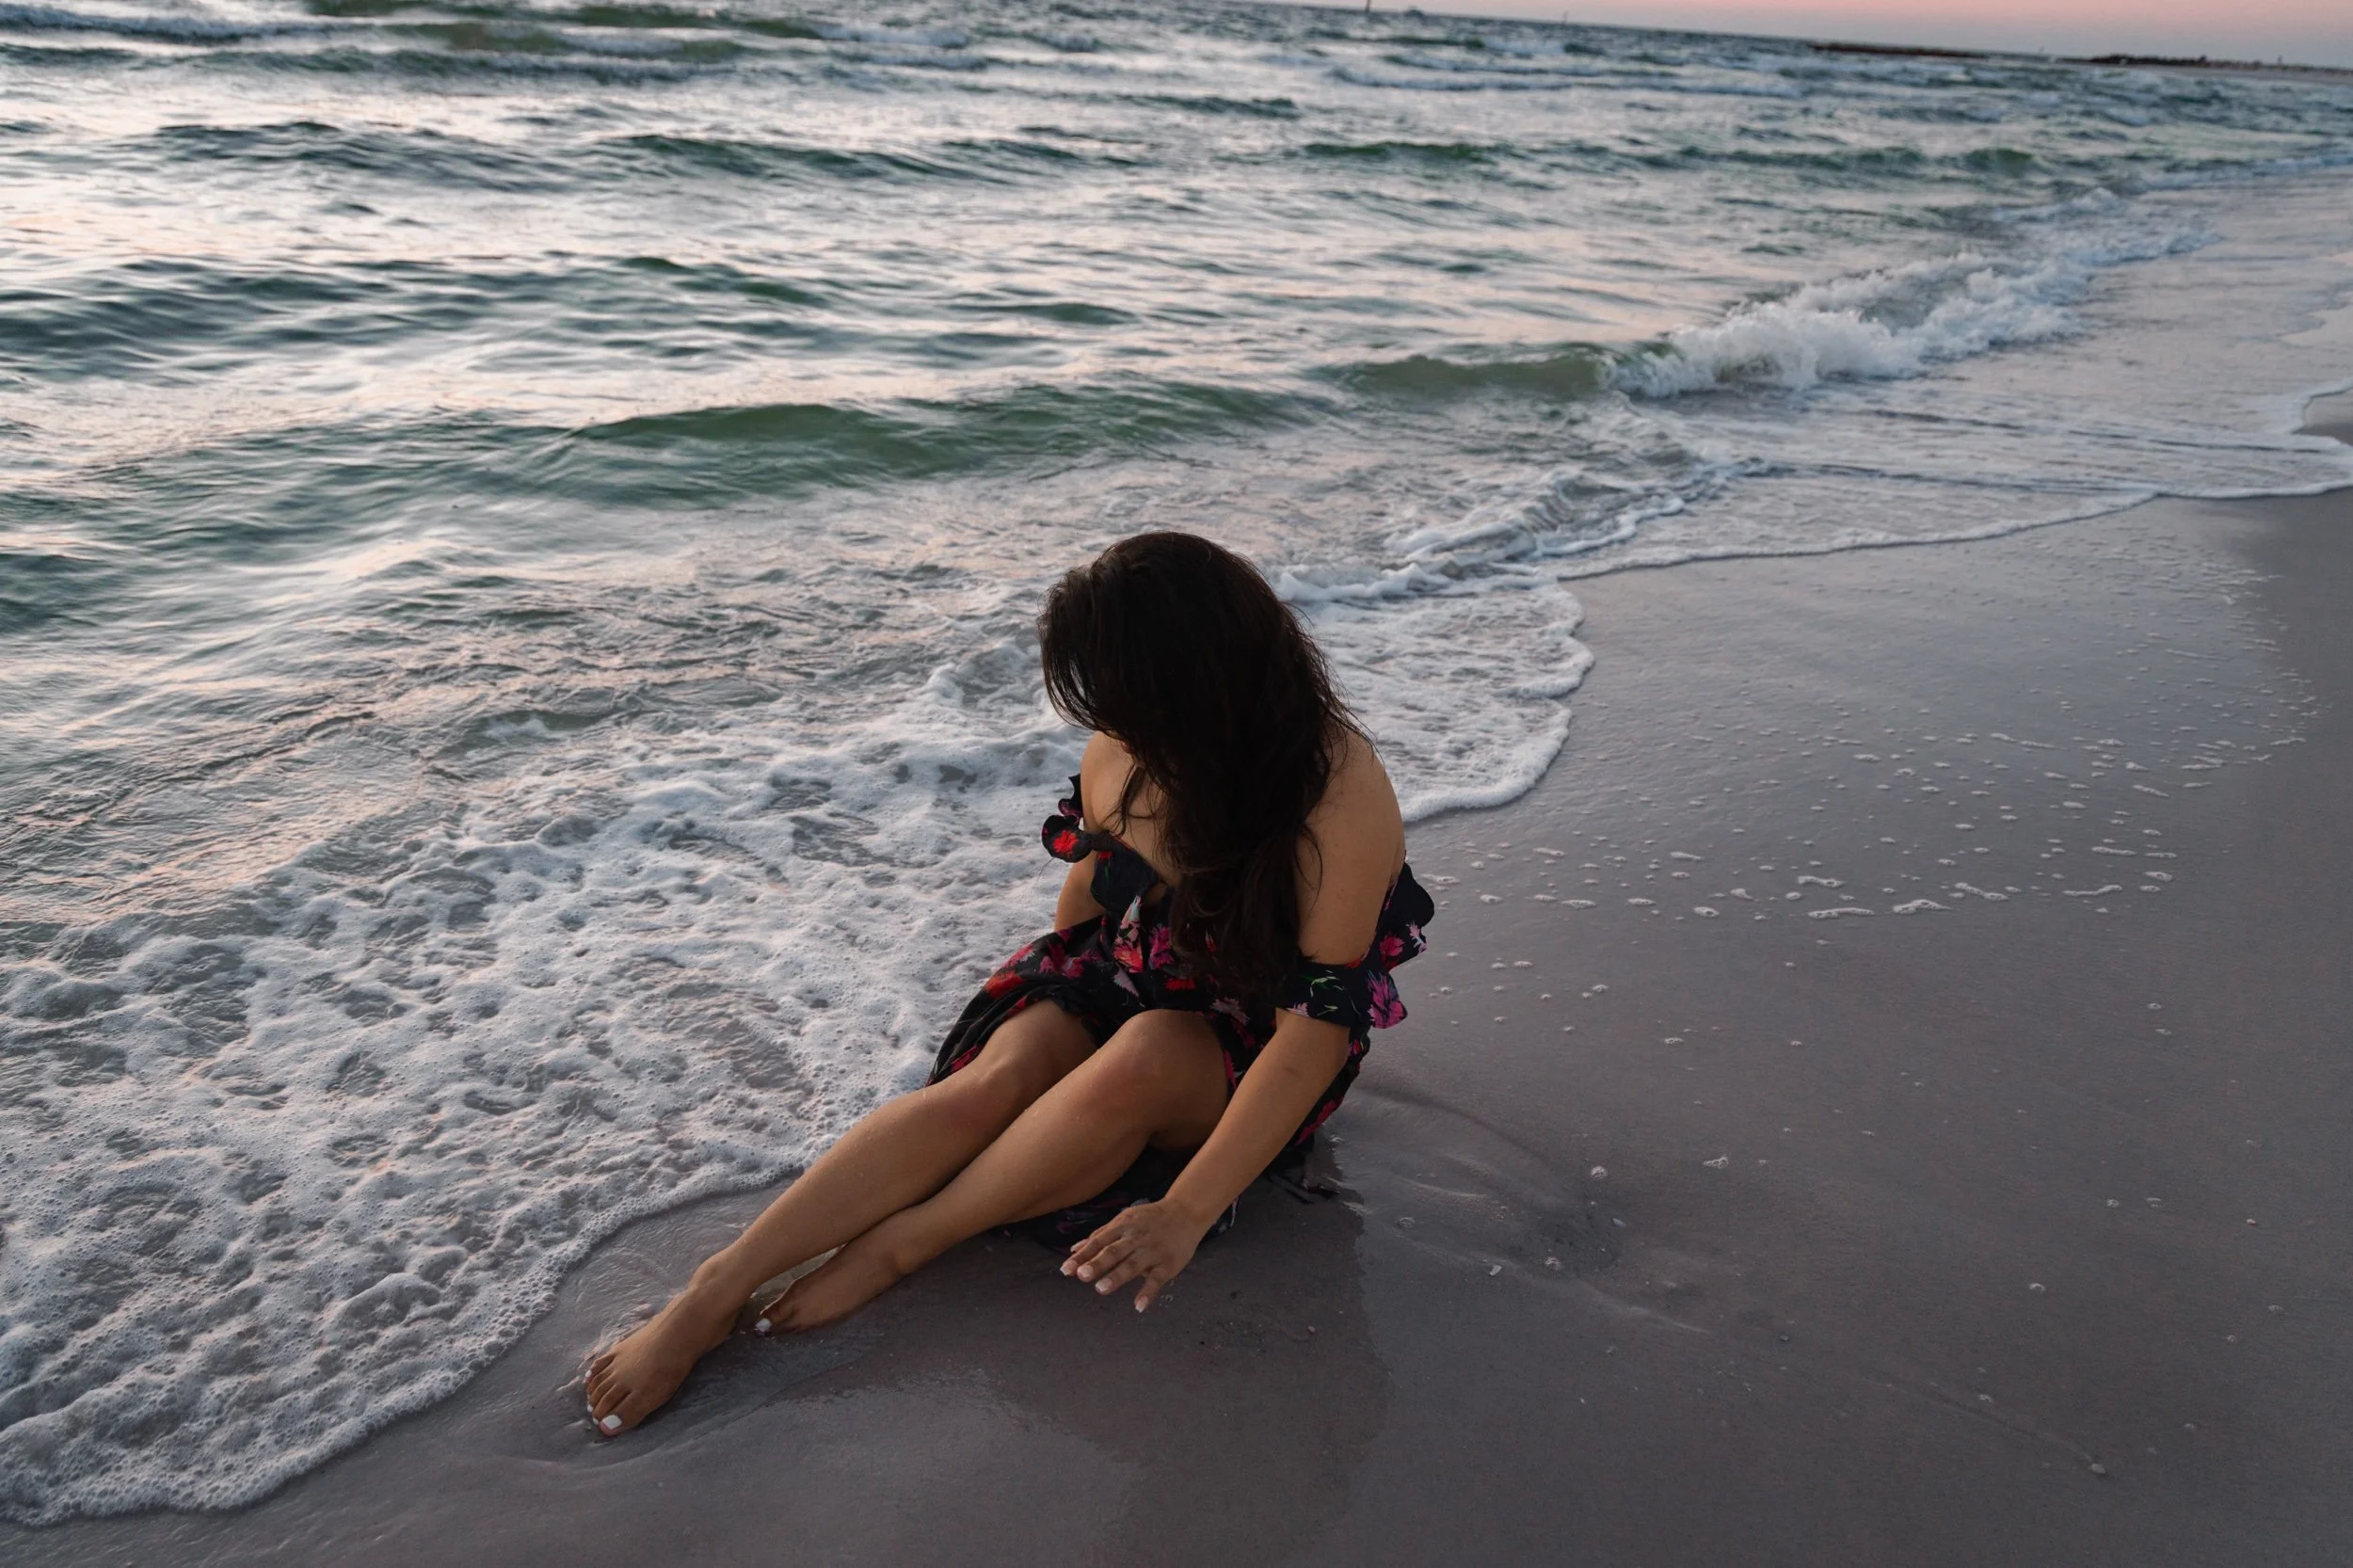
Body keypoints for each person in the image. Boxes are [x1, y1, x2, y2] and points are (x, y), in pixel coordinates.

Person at [584, 531, 1433, 1435]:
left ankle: (909, 1240)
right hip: (1133, 965)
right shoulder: (1130, 746)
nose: (1117, 729)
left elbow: (1313, 1037)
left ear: (1206, 682)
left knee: (1145, 1051)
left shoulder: (1334, 796)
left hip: (1256, 1030)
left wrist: (1187, 1209)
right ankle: (719, 1285)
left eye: (1137, 704)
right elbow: (1097, 885)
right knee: (996, 1083)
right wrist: (1052, 999)